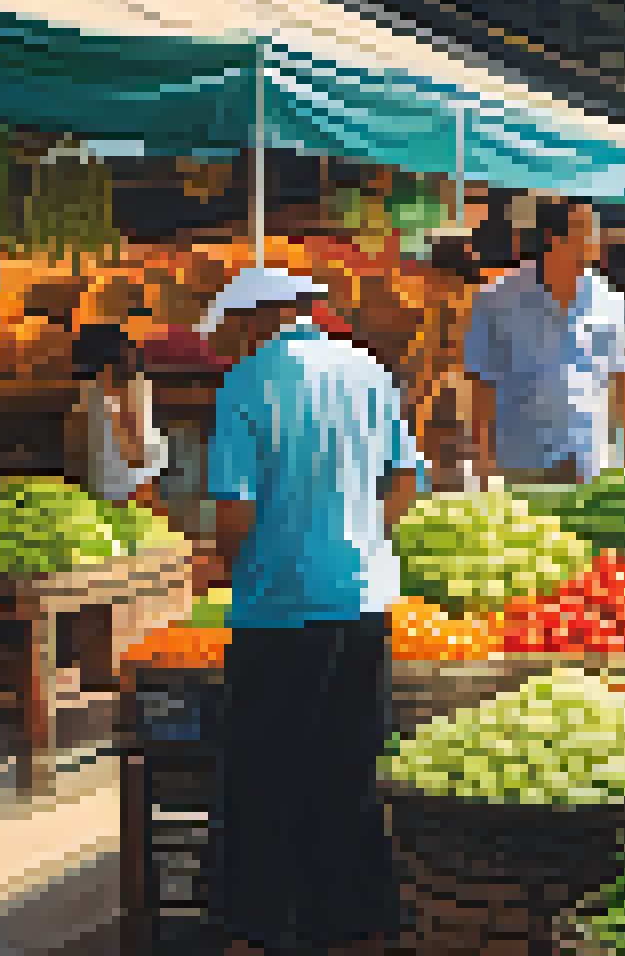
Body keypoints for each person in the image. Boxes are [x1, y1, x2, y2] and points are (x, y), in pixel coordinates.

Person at [200, 267, 425, 956]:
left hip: (278, 609)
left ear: (252, 320)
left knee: (259, 778)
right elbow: (405, 481)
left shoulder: (244, 382)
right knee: (348, 770)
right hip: (361, 601)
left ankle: (255, 931)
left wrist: (227, 564)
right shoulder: (365, 369)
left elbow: (234, 514)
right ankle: (352, 929)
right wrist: (360, 535)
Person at [464, 201, 625, 485]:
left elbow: (623, 376)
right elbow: (480, 379)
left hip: (588, 461)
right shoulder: (497, 298)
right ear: (554, 239)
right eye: (585, 232)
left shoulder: (611, 301)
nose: (595, 241)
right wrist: (482, 458)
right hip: (523, 461)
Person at [75, 322, 171, 509]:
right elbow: (137, 457)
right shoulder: (128, 389)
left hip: (103, 498)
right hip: (131, 498)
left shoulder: (85, 394)